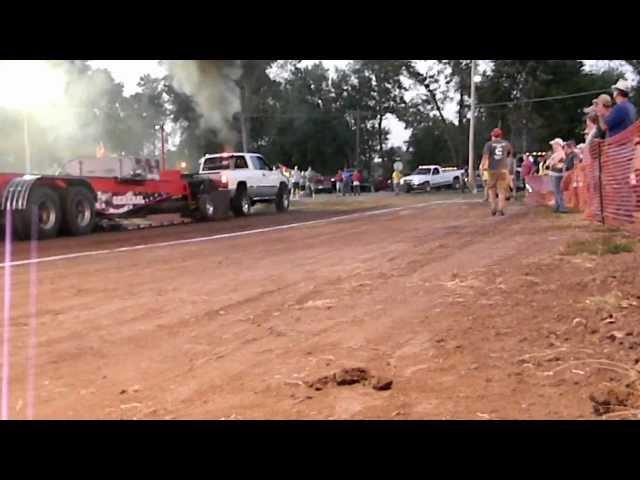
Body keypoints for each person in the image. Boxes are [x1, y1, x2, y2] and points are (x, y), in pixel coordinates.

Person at [480, 127, 513, 216]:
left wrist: (482, 167)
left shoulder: (489, 144)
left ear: (493, 136)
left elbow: (485, 157)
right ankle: (501, 208)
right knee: (502, 191)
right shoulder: (507, 144)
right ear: (500, 135)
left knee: (491, 190)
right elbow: (509, 156)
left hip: (492, 170)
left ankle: (493, 207)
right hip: (503, 169)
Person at [547, 138, 568, 213]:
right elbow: (549, 163)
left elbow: (552, 162)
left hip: (557, 174)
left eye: (554, 144)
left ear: (557, 145)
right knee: (556, 191)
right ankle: (558, 206)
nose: (553, 146)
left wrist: (551, 162)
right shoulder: (556, 153)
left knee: (558, 191)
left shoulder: (560, 153)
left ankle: (562, 207)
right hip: (554, 173)